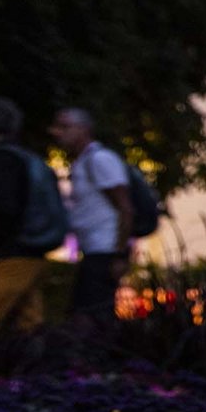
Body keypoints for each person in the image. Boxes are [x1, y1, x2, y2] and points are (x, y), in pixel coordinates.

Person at [0, 97, 57, 334]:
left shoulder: (0, 159)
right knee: (28, 325)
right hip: (32, 252)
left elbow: (1, 211)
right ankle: (38, 370)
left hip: (4, 257)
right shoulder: (25, 158)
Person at [48, 107, 133, 322]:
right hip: (94, 251)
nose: (58, 133)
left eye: (65, 127)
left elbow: (125, 207)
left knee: (92, 318)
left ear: (84, 129)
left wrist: (120, 255)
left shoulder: (100, 160)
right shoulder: (84, 162)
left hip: (104, 253)